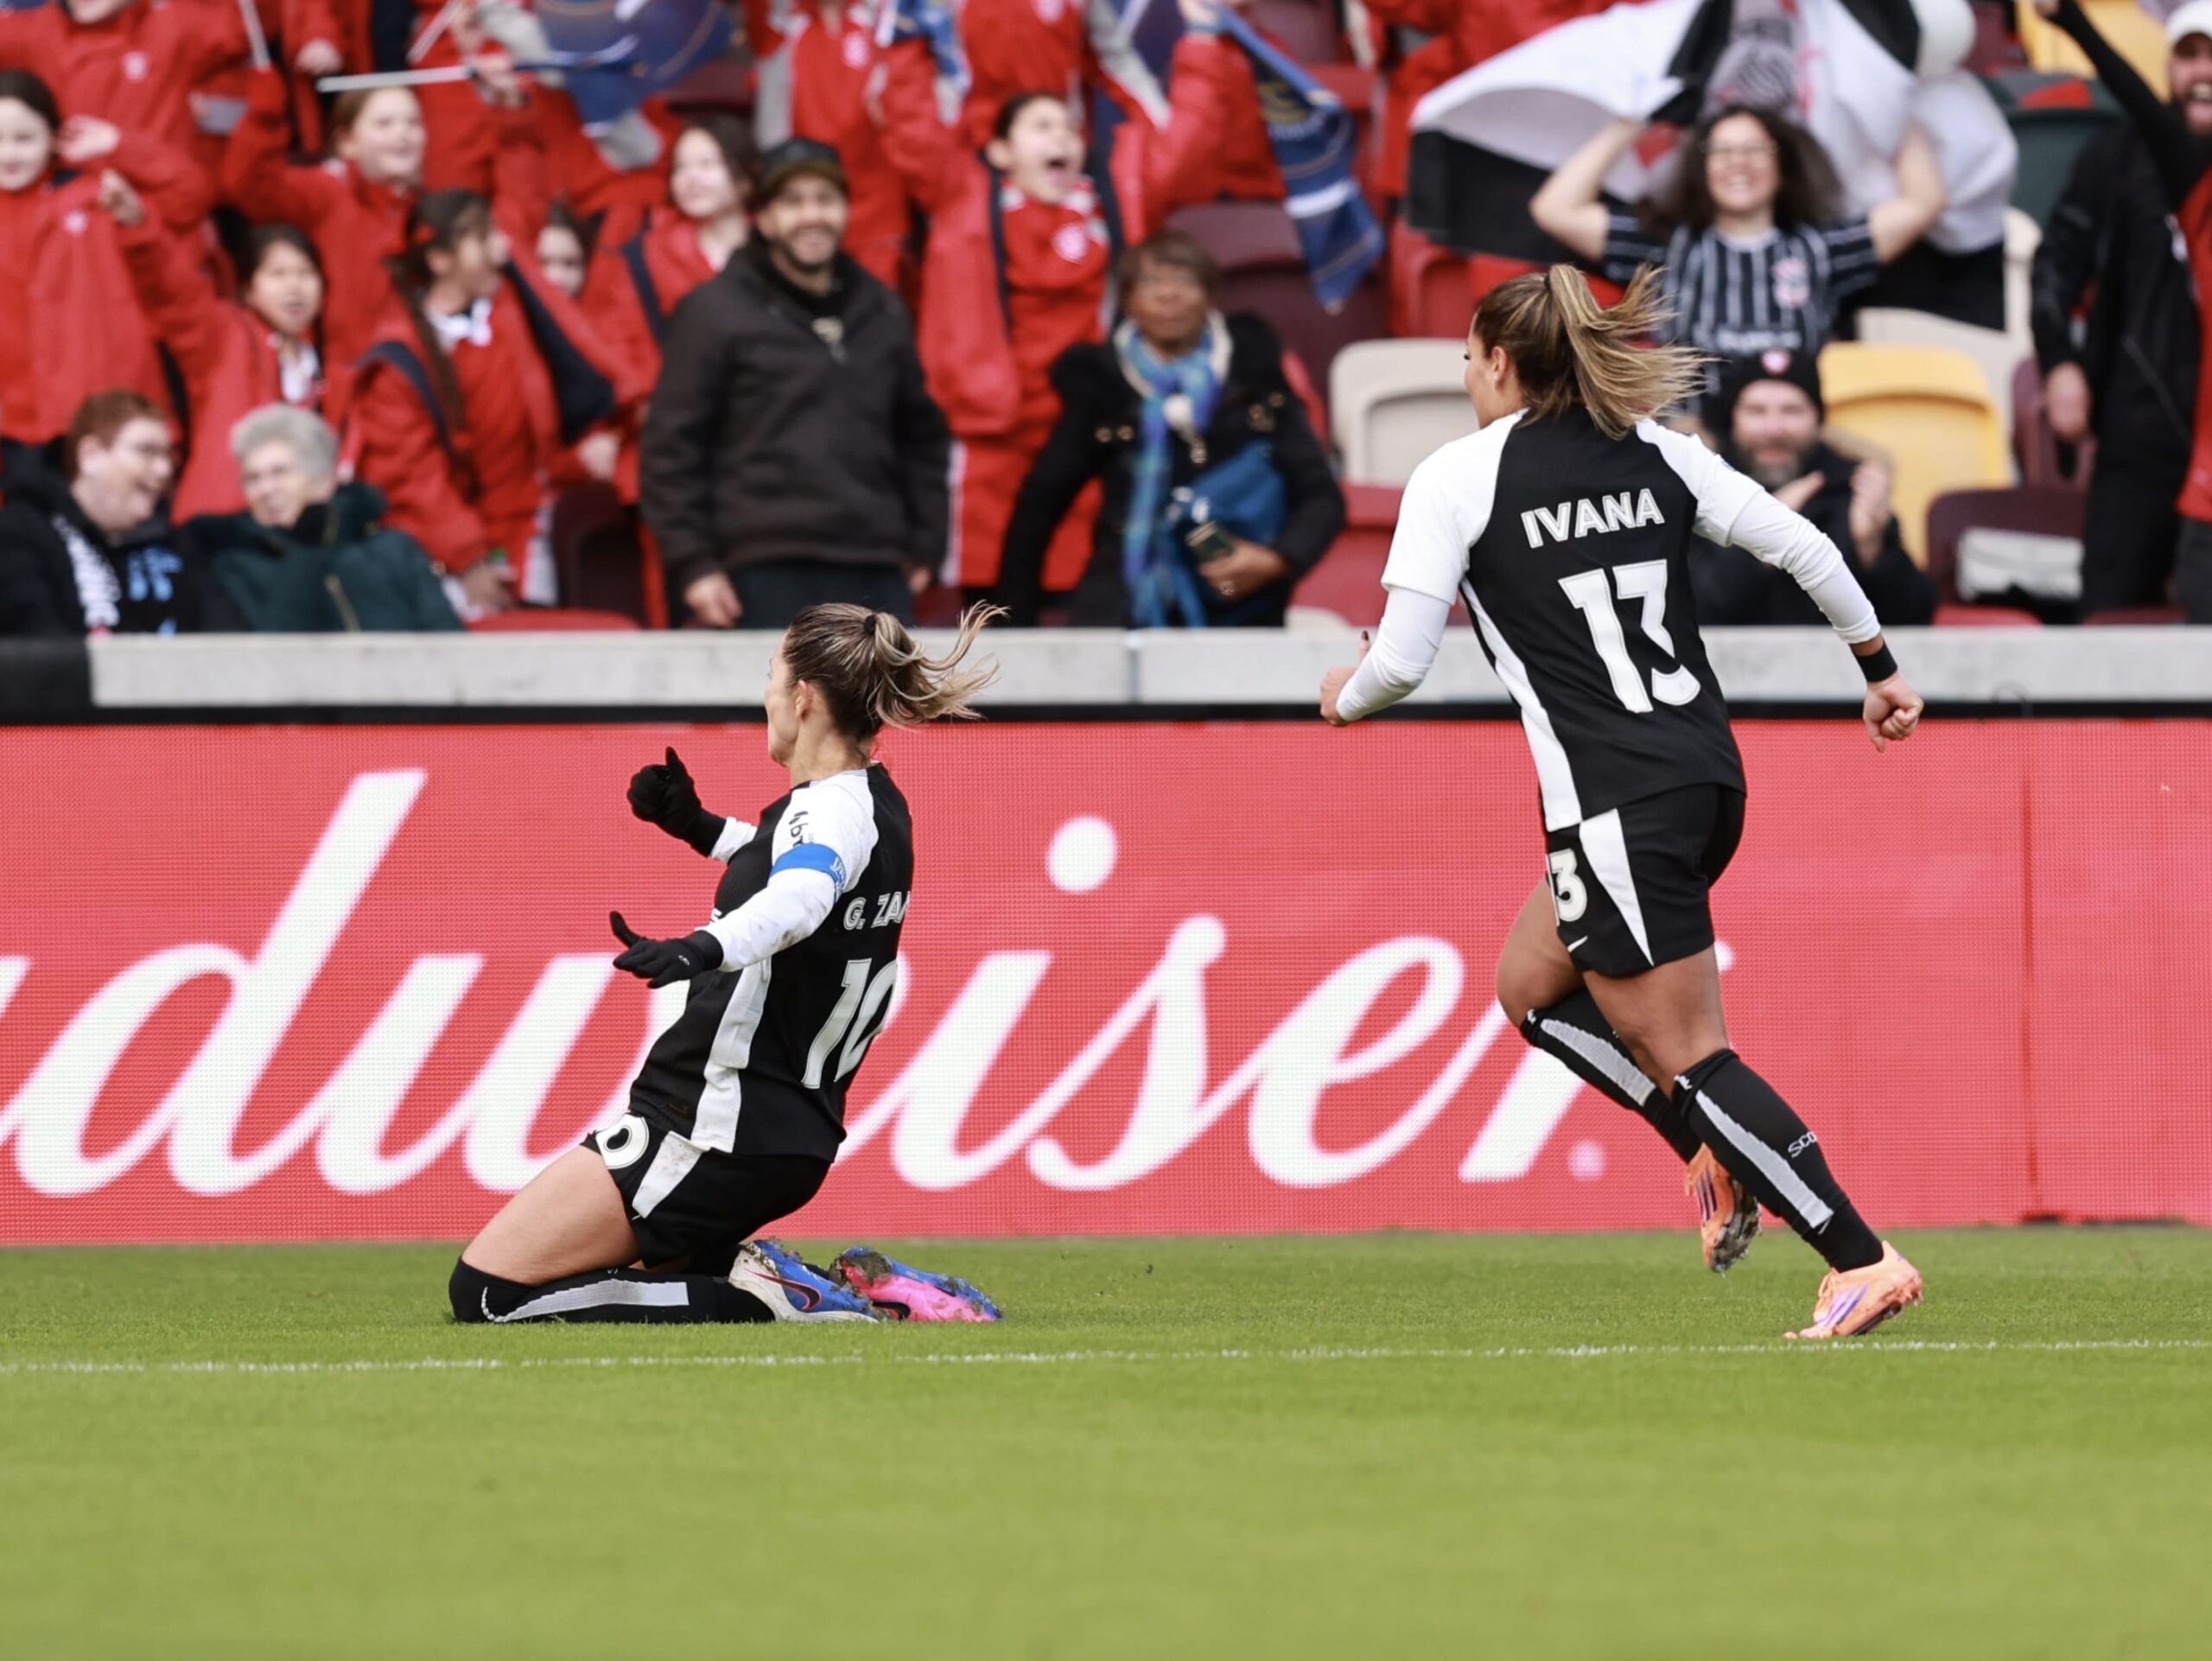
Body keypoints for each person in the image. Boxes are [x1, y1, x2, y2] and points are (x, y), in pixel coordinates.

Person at [1318, 266, 1928, 1340]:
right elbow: (1804, 544)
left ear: (1502, 361)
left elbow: (1401, 664)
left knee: (1692, 1053)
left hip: (1611, 802)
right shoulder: (1655, 449)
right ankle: (1710, 1152)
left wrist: (1341, 694)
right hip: (1703, 779)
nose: (1463, 374)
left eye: (1467, 355)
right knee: (1532, 988)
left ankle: (1858, 1256)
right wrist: (1875, 666)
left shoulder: (1458, 475)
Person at [448, 601, 1003, 1325]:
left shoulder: (826, 814)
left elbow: (800, 898)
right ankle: (838, 1286)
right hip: (781, 1134)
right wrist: (699, 826)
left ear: (802, 697)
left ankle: (771, 1295)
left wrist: (697, 948)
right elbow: (802, 873)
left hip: (708, 1129)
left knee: (491, 1293)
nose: (766, 694)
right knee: (637, 1274)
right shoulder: (873, 803)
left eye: (770, 675)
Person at [868, 1, 1235, 599]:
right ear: (1000, 151)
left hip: (1092, 444)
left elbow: (1188, 142)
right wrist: (909, 27)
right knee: (986, 626)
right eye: (1040, 127)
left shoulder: (1118, 195)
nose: (1060, 136)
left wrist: (1200, 37)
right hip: (992, 445)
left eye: (1067, 125)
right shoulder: (960, 195)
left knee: (1091, 604)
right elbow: (908, 119)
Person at [640, 139, 950, 630]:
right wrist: (695, 565)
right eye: (793, 201)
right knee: (780, 709)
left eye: (826, 199)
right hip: (762, 567)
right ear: (762, 218)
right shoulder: (713, 312)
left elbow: (923, 437)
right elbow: (669, 450)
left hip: (874, 563)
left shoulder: (883, 310)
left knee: (883, 711)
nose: (812, 216)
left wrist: (927, 544)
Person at [998, 229, 1345, 627]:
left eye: (1185, 281)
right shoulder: (1101, 386)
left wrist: (1276, 560)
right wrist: (1012, 630)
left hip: (1232, 601)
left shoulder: (1254, 379)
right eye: (1151, 283)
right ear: (1128, 301)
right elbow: (1038, 507)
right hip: (1122, 601)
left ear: (1210, 295)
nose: (1169, 296)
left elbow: (1321, 496)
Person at [347, 188, 637, 616]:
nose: (501, 250)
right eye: (483, 238)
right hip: (453, 571)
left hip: (525, 547)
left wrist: (577, 461)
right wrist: (471, 561)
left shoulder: (511, 318)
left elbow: (537, 440)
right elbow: (413, 480)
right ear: (440, 259)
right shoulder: (399, 360)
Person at [1531, 104, 1945, 373]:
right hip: (1692, 458)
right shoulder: (1666, 247)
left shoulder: (1819, 250)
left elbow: (1922, 203)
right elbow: (1555, 210)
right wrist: (1632, 121)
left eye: (1754, 150)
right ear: (1701, 167)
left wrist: (1893, 99)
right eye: (1722, 151)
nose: (1738, 164)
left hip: (1789, 452)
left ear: (1781, 167)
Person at [2032, 0, 2210, 618]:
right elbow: (2056, 262)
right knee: (2108, 614)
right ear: (2168, 64)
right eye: (2190, 54)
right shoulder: (2131, 159)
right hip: (2140, 430)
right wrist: (2060, 361)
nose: (2204, 72)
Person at [0, 81, 213, 446]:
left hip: (107, 419)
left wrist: (118, 145)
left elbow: (190, 195)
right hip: (17, 428)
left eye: (24, 138)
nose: (9, 154)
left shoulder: (96, 195)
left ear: (53, 139)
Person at [110, 191, 330, 522]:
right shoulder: (225, 336)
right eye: (278, 275)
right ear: (248, 288)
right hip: (220, 526)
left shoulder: (327, 362)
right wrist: (138, 225)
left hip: (295, 530)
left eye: (305, 274)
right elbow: (172, 289)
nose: (294, 288)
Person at [1694, 350, 1934, 628]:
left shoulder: (1852, 490)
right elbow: (1691, 610)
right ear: (1731, 422)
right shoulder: (1700, 492)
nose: (1775, 429)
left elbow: (1916, 620)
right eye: (1756, 411)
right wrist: (1764, 538)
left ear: (1818, 421)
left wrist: (1872, 551)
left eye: (1792, 411)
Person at [184, 404, 461, 632]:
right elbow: (273, 655)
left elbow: (447, 641)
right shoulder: (235, 565)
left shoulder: (391, 549)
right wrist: (306, 550)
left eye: (280, 472)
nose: (266, 490)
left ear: (324, 480)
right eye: (253, 478)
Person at [222, 65, 425, 371]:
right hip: (351, 376)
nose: (402, 133)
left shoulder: (428, 207)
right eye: (384, 124)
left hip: (419, 376)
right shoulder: (327, 192)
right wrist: (263, 120)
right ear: (346, 143)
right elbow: (250, 185)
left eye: (413, 122)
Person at [0, 389, 234, 636]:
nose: (164, 469)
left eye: (168, 455)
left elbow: (226, 633)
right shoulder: (21, 532)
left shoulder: (175, 542)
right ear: (90, 456)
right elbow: (35, 641)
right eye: (146, 451)